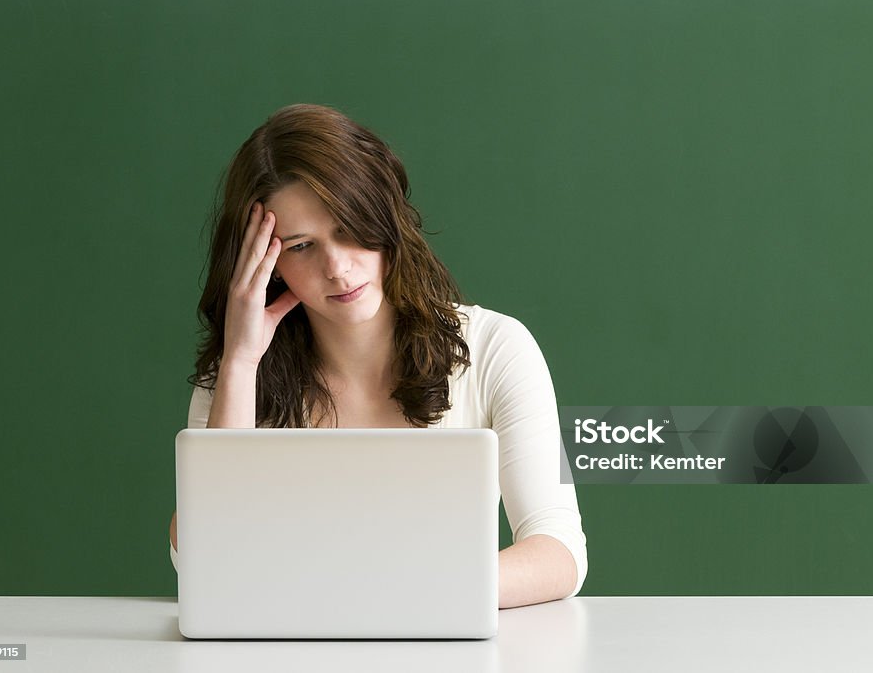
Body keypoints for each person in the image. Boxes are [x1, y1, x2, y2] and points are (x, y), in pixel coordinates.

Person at [168, 104, 587, 608]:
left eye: (349, 228)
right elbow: (201, 556)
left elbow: (559, 551)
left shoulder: (496, 348)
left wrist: (394, 592)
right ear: (267, 264)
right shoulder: (237, 369)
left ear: (383, 218)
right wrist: (239, 363)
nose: (339, 269)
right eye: (302, 246)